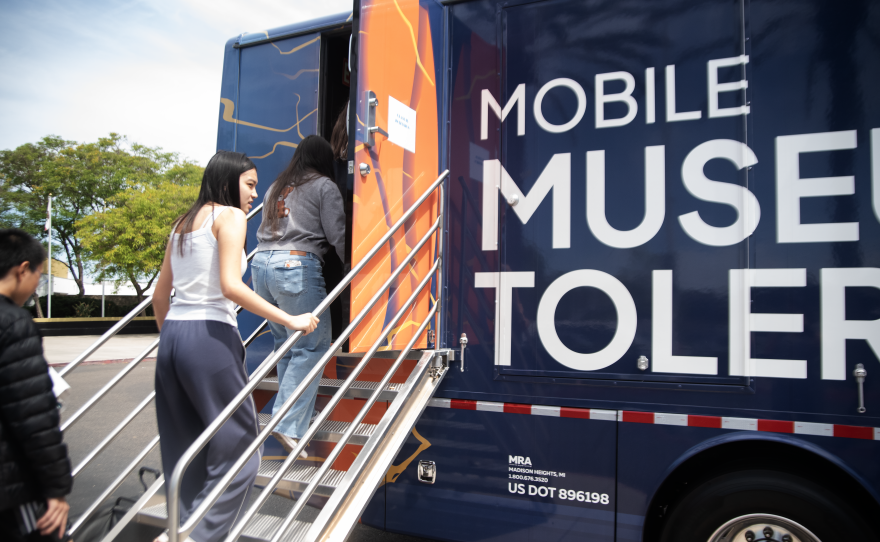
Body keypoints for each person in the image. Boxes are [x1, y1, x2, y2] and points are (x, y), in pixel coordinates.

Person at [151, 151, 318, 542]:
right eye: (249, 184)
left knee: (186, 447)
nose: (253, 194)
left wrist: (174, 338)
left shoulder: (182, 223)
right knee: (243, 450)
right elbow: (230, 286)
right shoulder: (229, 218)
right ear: (227, 181)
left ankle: (182, 527)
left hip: (174, 335)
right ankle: (197, 535)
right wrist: (290, 319)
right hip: (209, 337)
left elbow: (161, 297)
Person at [252, 135, 345, 456]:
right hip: (295, 265)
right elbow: (337, 235)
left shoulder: (276, 186)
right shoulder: (324, 186)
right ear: (324, 159)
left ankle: (295, 416)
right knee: (313, 344)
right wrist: (356, 270)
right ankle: (287, 422)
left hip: (260, 267)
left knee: (287, 346)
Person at [0, 228, 72, 541]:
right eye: (38, 277)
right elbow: (35, 419)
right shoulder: (14, 323)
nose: (35, 288)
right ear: (23, 269)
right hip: (11, 488)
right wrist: (56, 488)